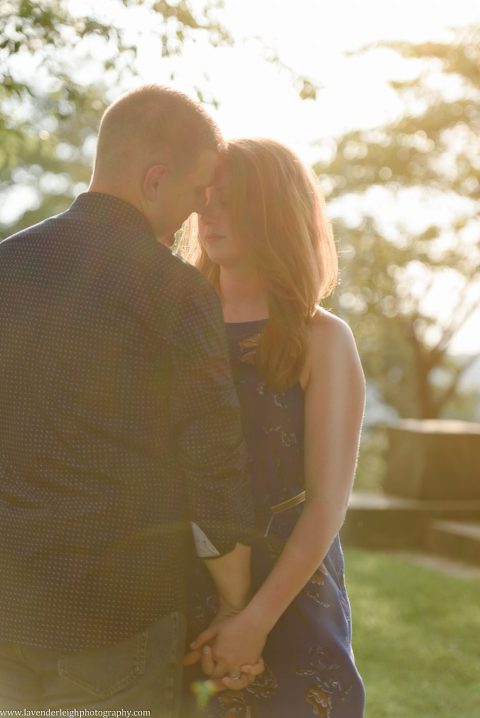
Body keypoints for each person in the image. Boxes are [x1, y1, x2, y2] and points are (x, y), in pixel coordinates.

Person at [0, 86, 260, 714]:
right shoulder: (174, 288)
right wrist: (236, 607)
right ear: (154, 178)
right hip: (117, 618)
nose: (201, 209)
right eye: (199, 191)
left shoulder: (7, 264)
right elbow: (213, 466)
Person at [182, 138, 366, 717]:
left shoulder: (322, 338)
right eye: (203, 197)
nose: (208, 212)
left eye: (229, 200)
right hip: (180, 585)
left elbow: (327, 503)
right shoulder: (176, 324)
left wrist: (254, 621)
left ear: (276, 211)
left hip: (290, 596)